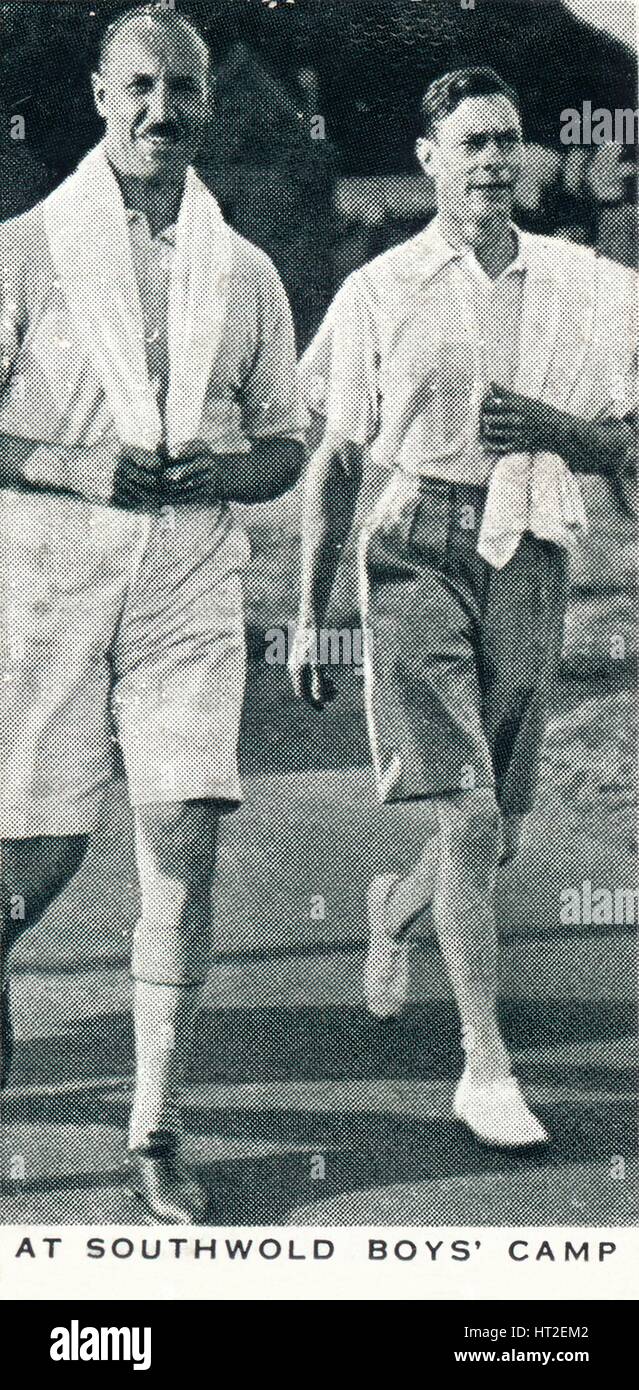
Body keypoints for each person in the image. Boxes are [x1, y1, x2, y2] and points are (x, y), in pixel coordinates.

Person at [291, 67, 637, 1147]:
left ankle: (394, 910)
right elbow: (338, 459)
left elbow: (624, 448)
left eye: (509, 139)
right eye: (471, 141)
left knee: (504, 834)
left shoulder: (588, 286)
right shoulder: (380, 291)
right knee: (473, 816)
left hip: (530, 548)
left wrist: (561, 430)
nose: (493, 159)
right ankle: (486, 1062)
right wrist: (308, 615)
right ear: (430, 157)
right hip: (415, 553)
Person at [0, 5, 304, 1221]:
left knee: (184, 839)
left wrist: (221, 473)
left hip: (187, 578)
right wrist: (73, 466)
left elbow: (283, 441)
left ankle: (156, 1129)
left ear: (209, 102)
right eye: (138, 85)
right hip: (48, 574)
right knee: (41, 850)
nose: (161, 109)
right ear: (96, 94)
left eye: (182, 86)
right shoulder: (26, 248)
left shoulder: (245, 271)